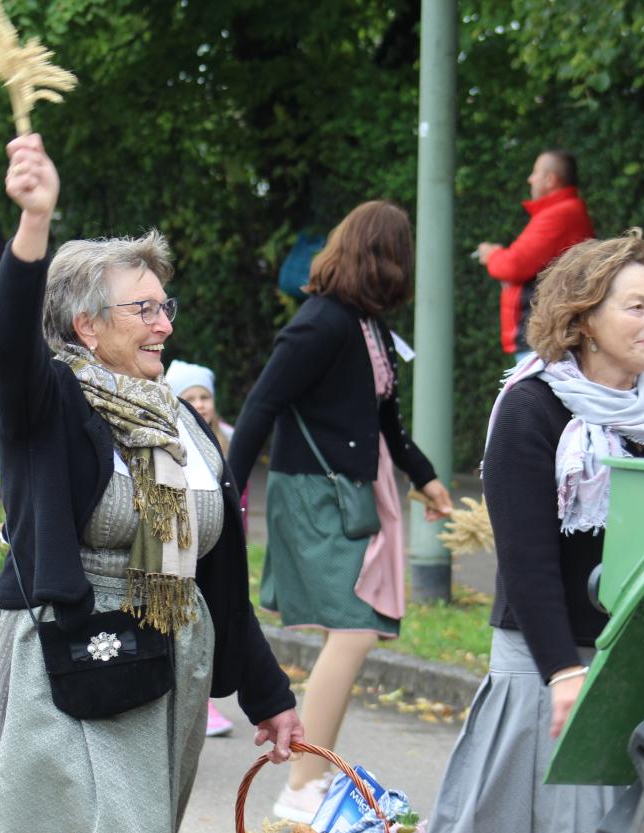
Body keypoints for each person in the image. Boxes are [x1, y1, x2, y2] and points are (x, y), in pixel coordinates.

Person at [0, 134, 302, 833]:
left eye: (164, 305)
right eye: (143, 309)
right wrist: (33, 224)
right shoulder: (51, 401)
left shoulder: (181, 421)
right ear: (85, 325)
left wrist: (270, 695)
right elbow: (7, 347)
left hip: (158, 670)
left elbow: (215, 574)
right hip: (60, 657)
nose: (165, 324)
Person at [427, 232, 644, 833]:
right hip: (541, 663)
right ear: (582, 318)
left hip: (637, 667)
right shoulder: (532, 408)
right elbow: (525, 559)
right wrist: (563, 671)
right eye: (636, 307)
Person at [228, 200, 454, 823]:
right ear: (384, 259)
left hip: (357, 495)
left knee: (355, 633)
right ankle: (301, 785)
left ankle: (311, 778)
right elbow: (259, 408)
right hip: (317, 497)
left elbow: (390, 427)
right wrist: (228, 494)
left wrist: (429, 481)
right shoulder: (321, 323)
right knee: (354, 630)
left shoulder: (368, 328)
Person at [165, 358, 237, 738]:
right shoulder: (175, 439)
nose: (200, 403)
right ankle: (199, 703)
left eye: (204, 396)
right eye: (189, 397)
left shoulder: (226, 438)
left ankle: (203, 696)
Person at [477, 150, 594, 362]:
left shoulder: (561, 213)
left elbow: (513, 265)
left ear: (551, 179)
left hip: (545, 336)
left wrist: (492, 254)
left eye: (535, 172)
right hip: (547, 334)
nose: (530, 179)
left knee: (532, 394)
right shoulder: (565, 211)